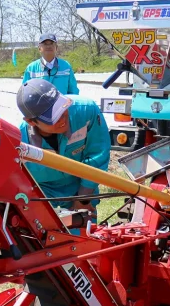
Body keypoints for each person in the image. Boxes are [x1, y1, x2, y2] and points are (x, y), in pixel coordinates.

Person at [17, 79, 110, 219]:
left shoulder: (86, 111)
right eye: (53, 117)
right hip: (42, 196)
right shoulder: (21, 141)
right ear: (30, 121)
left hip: (80, 187)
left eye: (62, 109)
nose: (62, 119)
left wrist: (83, 199)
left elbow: (98, 154)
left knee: (86, 237)